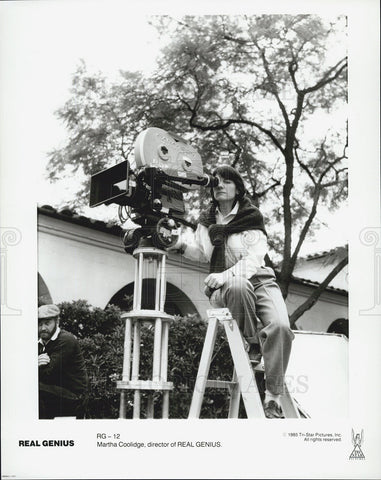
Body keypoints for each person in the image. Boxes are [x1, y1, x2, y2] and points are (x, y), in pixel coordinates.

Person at [175, 165, 294, 419]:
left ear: (238, 189)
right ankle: (254, 344)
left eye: (226, 181)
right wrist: (177, 245)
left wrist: (225, 274)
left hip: (260, 279)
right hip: (226, 287)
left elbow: (253, 259)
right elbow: (202, 253)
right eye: (215, 181)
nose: (219, 185)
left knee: (281, 327)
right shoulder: (207, 222)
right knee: (237, 286)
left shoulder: (251, 217)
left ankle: (272, 398)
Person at [38, 304, 88, 419]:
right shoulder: (40, 343)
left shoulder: (66, 340)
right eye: (40, 324)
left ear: (57, 322)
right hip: (54, 391)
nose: (43, 328)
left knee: (32, 388)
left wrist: (33, 367)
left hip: (74, 396)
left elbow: (48, 374)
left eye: (47, 323)